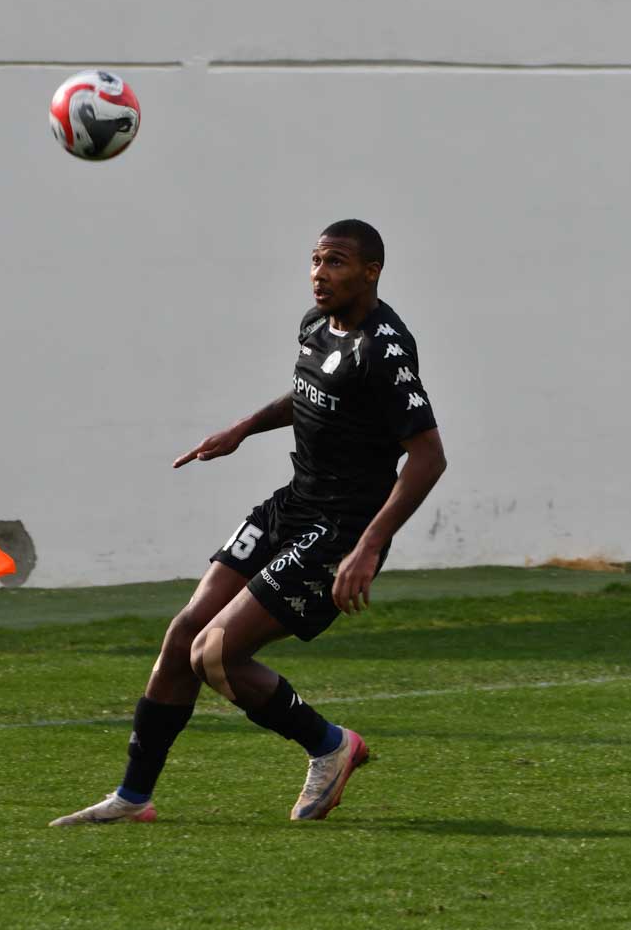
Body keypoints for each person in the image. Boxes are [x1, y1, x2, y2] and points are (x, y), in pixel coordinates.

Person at [50, 220, 446, 827]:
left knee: (215, 654)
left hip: (341, 530)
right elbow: (309, 392)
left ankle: (329, 745)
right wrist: (241, 429)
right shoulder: (316, 325)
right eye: (316, 260)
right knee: (184, 633)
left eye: (336, 262)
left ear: (371, 272)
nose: (319, 274)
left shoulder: (385, 348)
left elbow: (428, 457)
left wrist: (369, 546)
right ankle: (132, 798)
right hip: (293, 505)